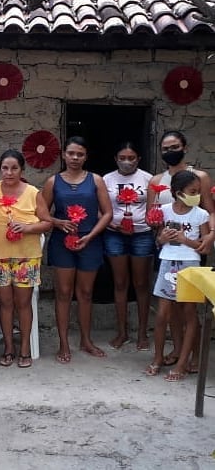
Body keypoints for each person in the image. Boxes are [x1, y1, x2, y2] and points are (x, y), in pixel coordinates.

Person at [146, 130, 215, 367]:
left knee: (189, 308)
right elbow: (152, 218)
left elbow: (210, 210)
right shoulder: (156, 181)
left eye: (174, 147)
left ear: (185, 147)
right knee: (170, 307)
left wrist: (212, 235)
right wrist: (159, 235)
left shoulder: (200, 177)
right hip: (167, 250)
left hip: (193, 250)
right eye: (165, 149)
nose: (170, 152)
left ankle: (193, 356)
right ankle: (177, 350)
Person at [42, 136, 113, 364]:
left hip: (89, 241)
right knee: (63, 293)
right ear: (64, 154)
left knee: (85, 293)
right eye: (71, 153)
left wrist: (91, 234)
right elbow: (41, 212)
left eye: (80, 154)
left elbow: (108, 213)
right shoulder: (53, 182)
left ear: (86, 156)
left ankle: (86, 340)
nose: (75, 158)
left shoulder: (96, 180)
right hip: (62, 242)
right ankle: (63, 343)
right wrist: (57, 222)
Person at [0, 149, 52, 368]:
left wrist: (27, 227)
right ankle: (8, 347)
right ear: (0, 169)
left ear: (22, 169)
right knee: (5, 303)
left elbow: (47, 222)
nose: (9, 172)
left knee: (23, 304)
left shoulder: (33, 192)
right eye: (5, 168)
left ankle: (24, 347)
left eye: (14, 168)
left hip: (26, 256)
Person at [103, 142, 154, 351]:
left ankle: (142, 333)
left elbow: (154, 208)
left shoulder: (148, 179)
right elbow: (100, 208)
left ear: (138, 159)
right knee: (120, 283)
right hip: (114, 234)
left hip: (142, 234)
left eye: (131, 158)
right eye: (122, 158)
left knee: (141, 284)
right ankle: (122, 332)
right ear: (115, 159)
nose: (126, 162)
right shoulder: (106, 179)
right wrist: (112, 223)